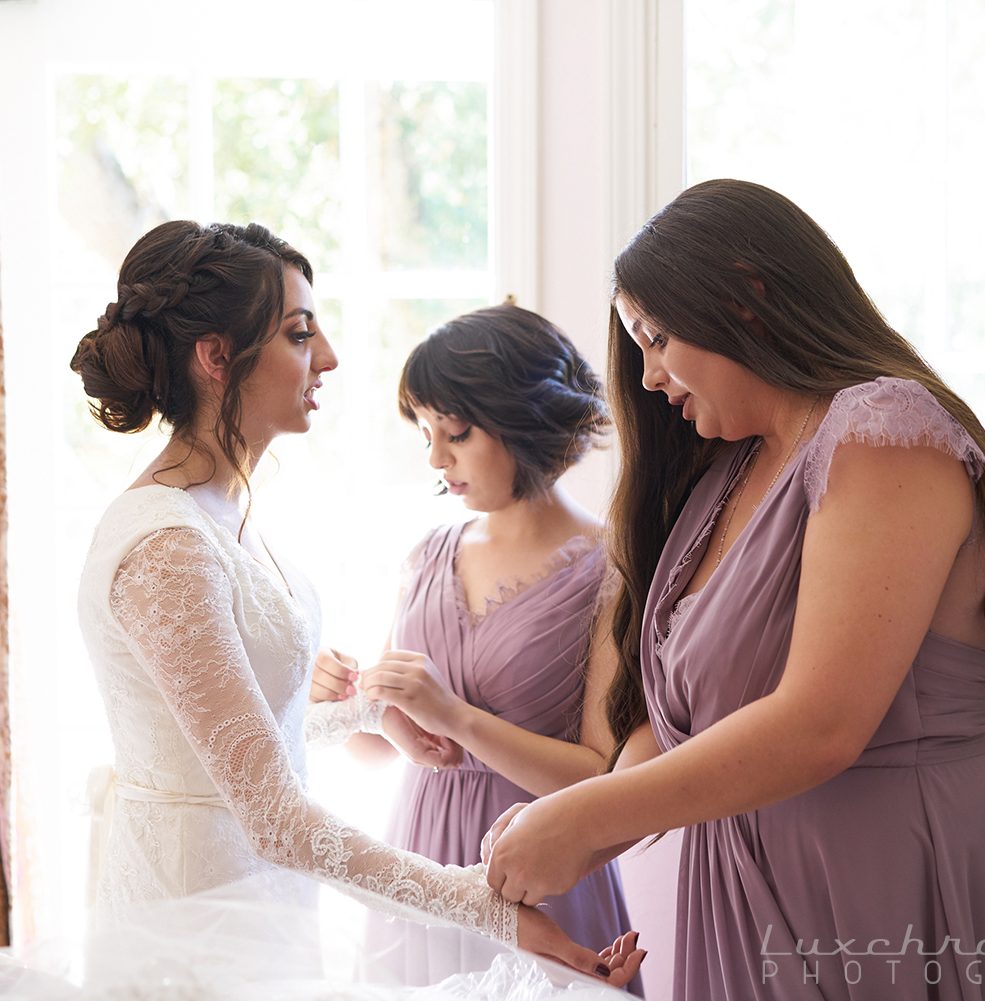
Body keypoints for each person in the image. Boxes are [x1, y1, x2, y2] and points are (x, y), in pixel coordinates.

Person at [481, 180, 985, 1000]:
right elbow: (681, 718)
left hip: (881, 871)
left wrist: (587, 819)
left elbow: (823, 723)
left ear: (748, 296)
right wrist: (582, 820)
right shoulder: (728, 472)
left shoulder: (881, 429)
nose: (648, 378)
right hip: (744, 881)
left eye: (655, 338)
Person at [67, 220, 643, 988]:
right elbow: (268, 810)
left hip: (255, 897)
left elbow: (233, 744)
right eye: (300, 333)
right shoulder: (168, 544)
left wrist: (369, 714)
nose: (329, 357)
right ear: (215, 356)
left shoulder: (223, 510)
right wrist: (489, 907)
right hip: (194, 905)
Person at [308, 305, 641, 992]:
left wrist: (457, 716)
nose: (435, 458)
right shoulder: (428, 554)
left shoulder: (609, 569)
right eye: (426, 433)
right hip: (420, 872)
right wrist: (339, 698)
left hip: (539, 869)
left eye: (455, 432)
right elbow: (381, 744)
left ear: (523, 420)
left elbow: (602, 779)